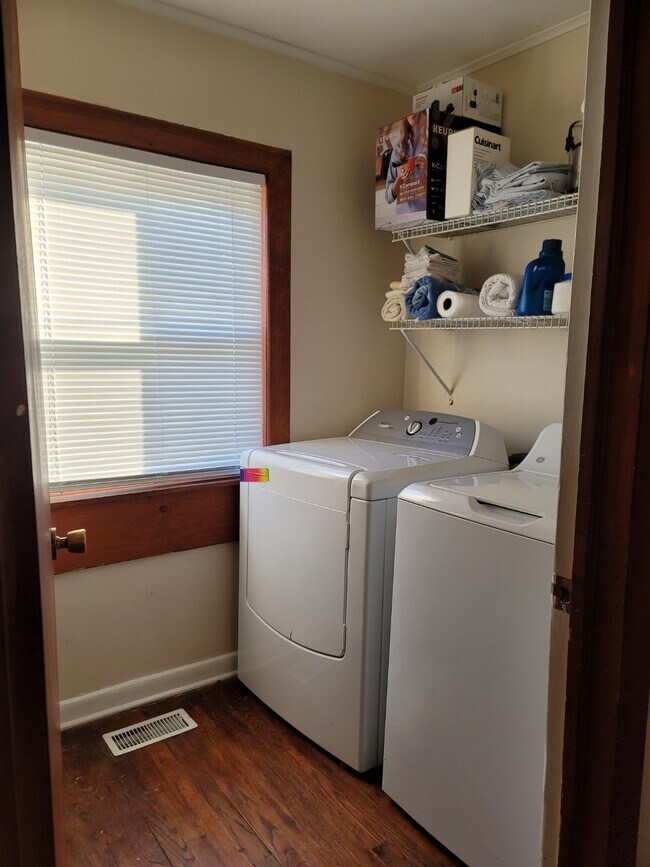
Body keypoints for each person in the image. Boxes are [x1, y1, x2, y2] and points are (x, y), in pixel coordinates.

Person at [385, 111, 428, 214]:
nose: (412, 113)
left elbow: (443, 184)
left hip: (425, 214)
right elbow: (388, 197)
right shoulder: (398, 148)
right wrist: (399, 178)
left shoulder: (431, 141)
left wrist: (427, 169)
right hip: (403, 216)